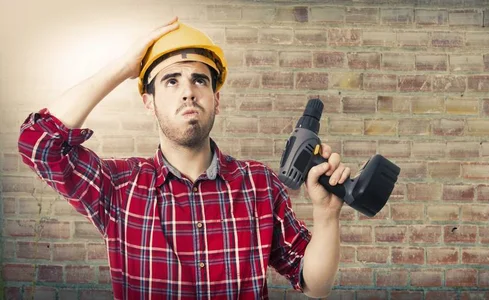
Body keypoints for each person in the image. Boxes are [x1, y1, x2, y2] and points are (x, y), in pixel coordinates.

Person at [17, 17, 351, 299]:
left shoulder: (258, 184)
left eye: (199, 80)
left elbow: (314, 284)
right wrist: (123, 67)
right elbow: (38, 142)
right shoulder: (120, 186)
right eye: (171, 80)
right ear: (150, 103)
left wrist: (326, 215)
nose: (188, 91)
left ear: (215, 99)